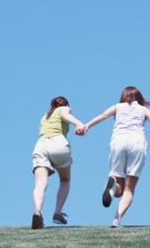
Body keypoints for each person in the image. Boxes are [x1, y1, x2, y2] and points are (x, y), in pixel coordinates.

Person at [82, 86, 150, 228]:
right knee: (129, 187)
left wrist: (86, 126)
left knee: (118, 183)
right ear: (139, 98)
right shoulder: (143, 109)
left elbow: (102, 116)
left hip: (118, 142)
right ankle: (117, 219)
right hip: (137, 143)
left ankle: (112, 186)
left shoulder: (117, 107)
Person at [31, 96, 86, 230]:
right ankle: (57, 212)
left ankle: (38, 211)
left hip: (41, 146)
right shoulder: (64, 108)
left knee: (40, 183)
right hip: (58, 144)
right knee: (65, 180)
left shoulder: (45, 116)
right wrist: (79, 123)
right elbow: (66, 115)